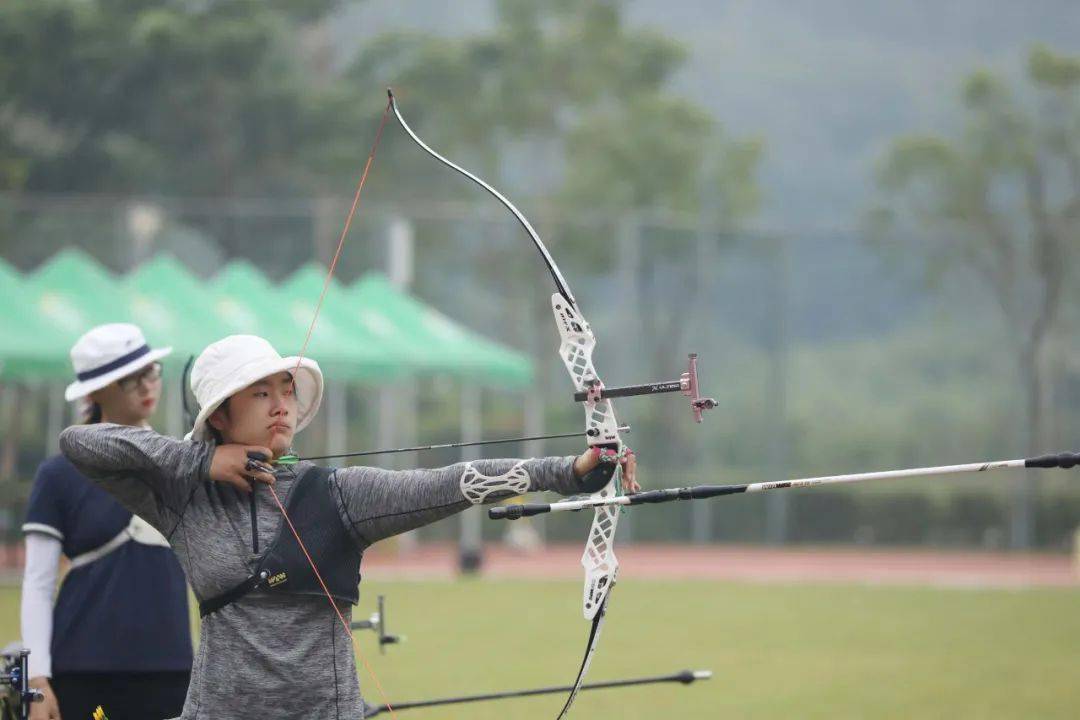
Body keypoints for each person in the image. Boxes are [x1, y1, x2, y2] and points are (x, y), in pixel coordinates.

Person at [59, 334, 637, 719]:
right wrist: (203, 461)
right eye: (260, 392)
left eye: (285, 388)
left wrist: (571, 471)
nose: (281, 402)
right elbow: (80, 443)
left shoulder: (336, 496)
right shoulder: (186, 496)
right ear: (221, 415)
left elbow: (452, 481)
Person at [21, 324, 192, 720]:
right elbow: (38, 582)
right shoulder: (58, 474)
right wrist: (38, 679)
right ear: (96, 391)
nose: (148, 386)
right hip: (84, 671)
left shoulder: (181, 461)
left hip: (172, 668)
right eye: (130, 380)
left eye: (151, 372)